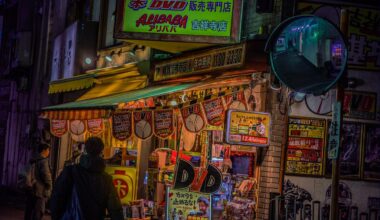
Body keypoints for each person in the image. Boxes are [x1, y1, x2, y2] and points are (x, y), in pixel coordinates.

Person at [51, 137, 123, 220]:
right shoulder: (106, 179)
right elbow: (115, 209)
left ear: (85, 150)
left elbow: (57, 198)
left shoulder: (70, 171)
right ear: (101, 152)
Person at [24, 143, 52, 220]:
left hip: (30, 189)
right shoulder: (43, 161)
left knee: (29, 212)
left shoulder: (33, 159)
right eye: (48, 150)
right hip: (39, 191)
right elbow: (46, 176)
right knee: (38, 212)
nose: (49, 152)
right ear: (44, 150)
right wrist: (49, 186)